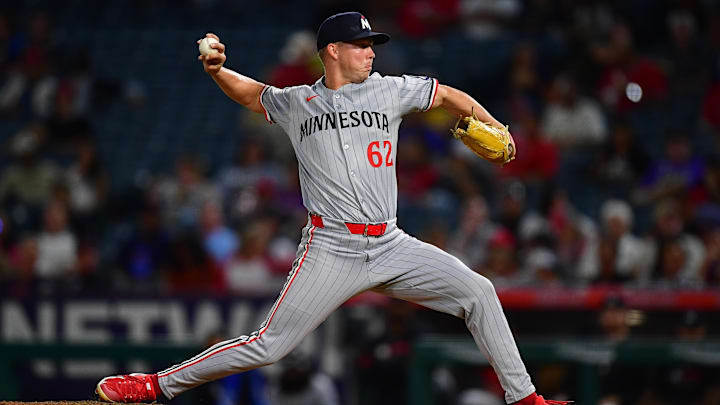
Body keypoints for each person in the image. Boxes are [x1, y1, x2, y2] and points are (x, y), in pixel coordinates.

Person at [95, 12, 568, 405]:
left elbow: (445, 94)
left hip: (391, 242)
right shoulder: (299, 102)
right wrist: (218, 70)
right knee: (269, 345)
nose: (371, 52)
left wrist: (491, 124)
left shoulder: (388, 89)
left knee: (480, 292)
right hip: (331, 247)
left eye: (372, 44)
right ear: (333, 51)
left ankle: (526, 400)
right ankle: (156, 385)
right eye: (361, 44)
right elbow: (252, 93)